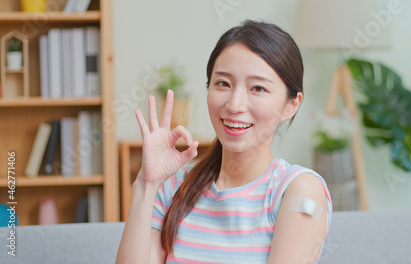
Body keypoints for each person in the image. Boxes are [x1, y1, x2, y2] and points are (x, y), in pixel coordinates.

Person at [116, 20, 333, 264]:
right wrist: (146, 185)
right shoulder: (175, 186)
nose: (234, 105)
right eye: (223, 83)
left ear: (291, 105)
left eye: (258, 88)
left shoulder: (296, 191)